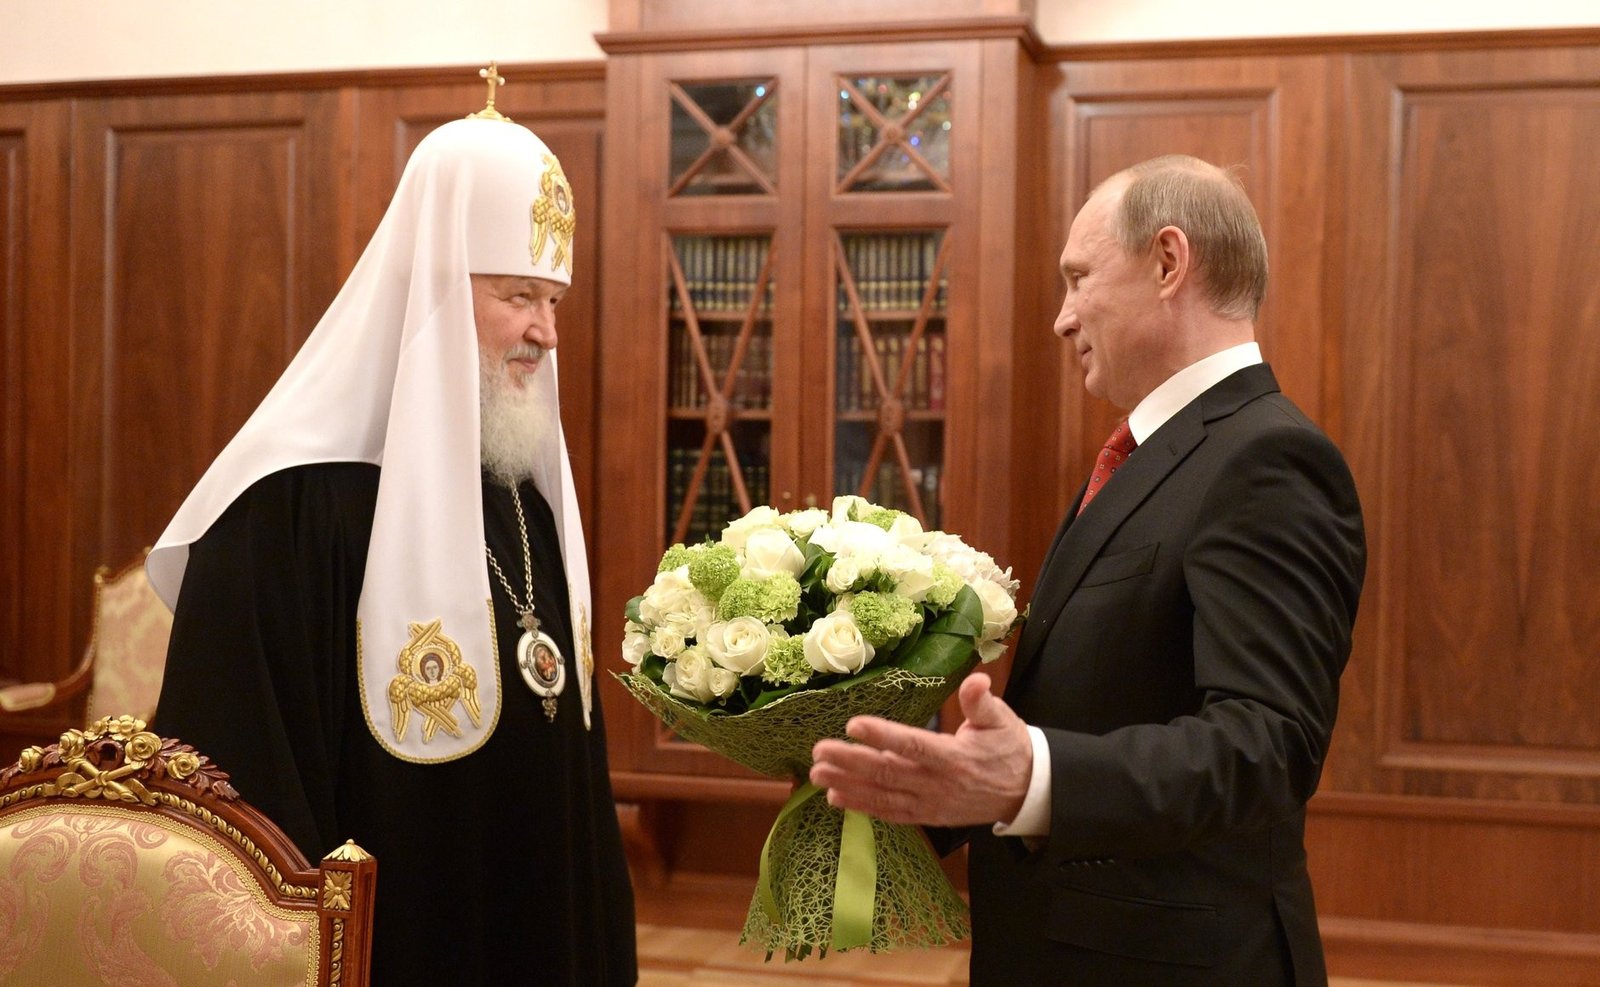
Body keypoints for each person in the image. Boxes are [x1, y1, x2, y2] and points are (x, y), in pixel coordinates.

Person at [810, 155, 1366, 986]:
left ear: (1169, 262)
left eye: (1079, 279)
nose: (1061, 319)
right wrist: (940, 776)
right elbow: (1106, 696)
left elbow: (1266, 744)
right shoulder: (1158, 449)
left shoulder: (1268, 458)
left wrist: (1034, 776)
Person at [146, 88, 637, 985]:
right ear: (437, 295)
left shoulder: (521, 499)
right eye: (520, 295)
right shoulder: (288, 510)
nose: (546, 332)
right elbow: (235, 804)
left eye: (555, 299)